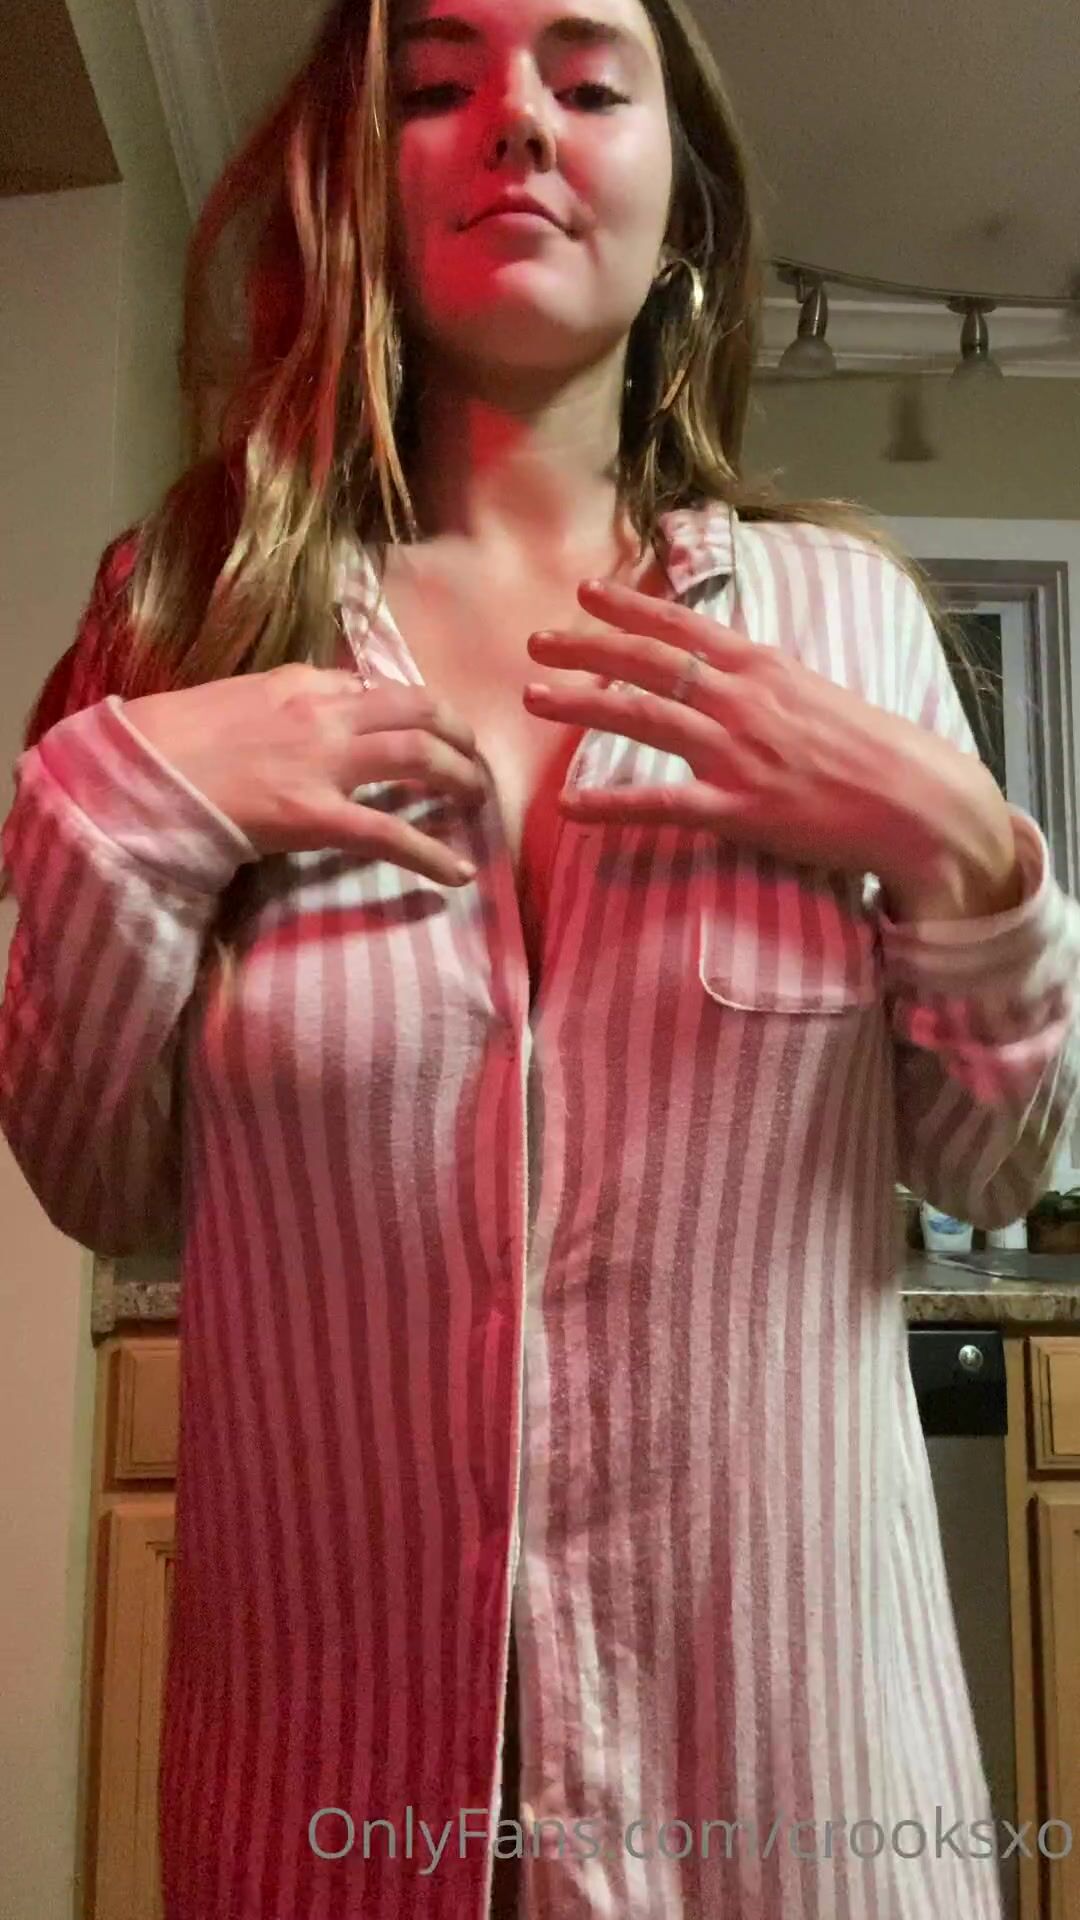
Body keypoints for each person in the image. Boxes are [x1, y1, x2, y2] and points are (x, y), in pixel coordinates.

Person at [2, 0, 1078, 1915]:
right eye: (438, 84)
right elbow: (104, 1183)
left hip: (792, 1812)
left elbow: (989, 1168)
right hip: (333, 1819)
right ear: (358, 178)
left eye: (587, 82)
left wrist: (972, 859)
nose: (517, 119)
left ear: (682, 212)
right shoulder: (191, 614)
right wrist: (124, 806)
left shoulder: (848, 621)